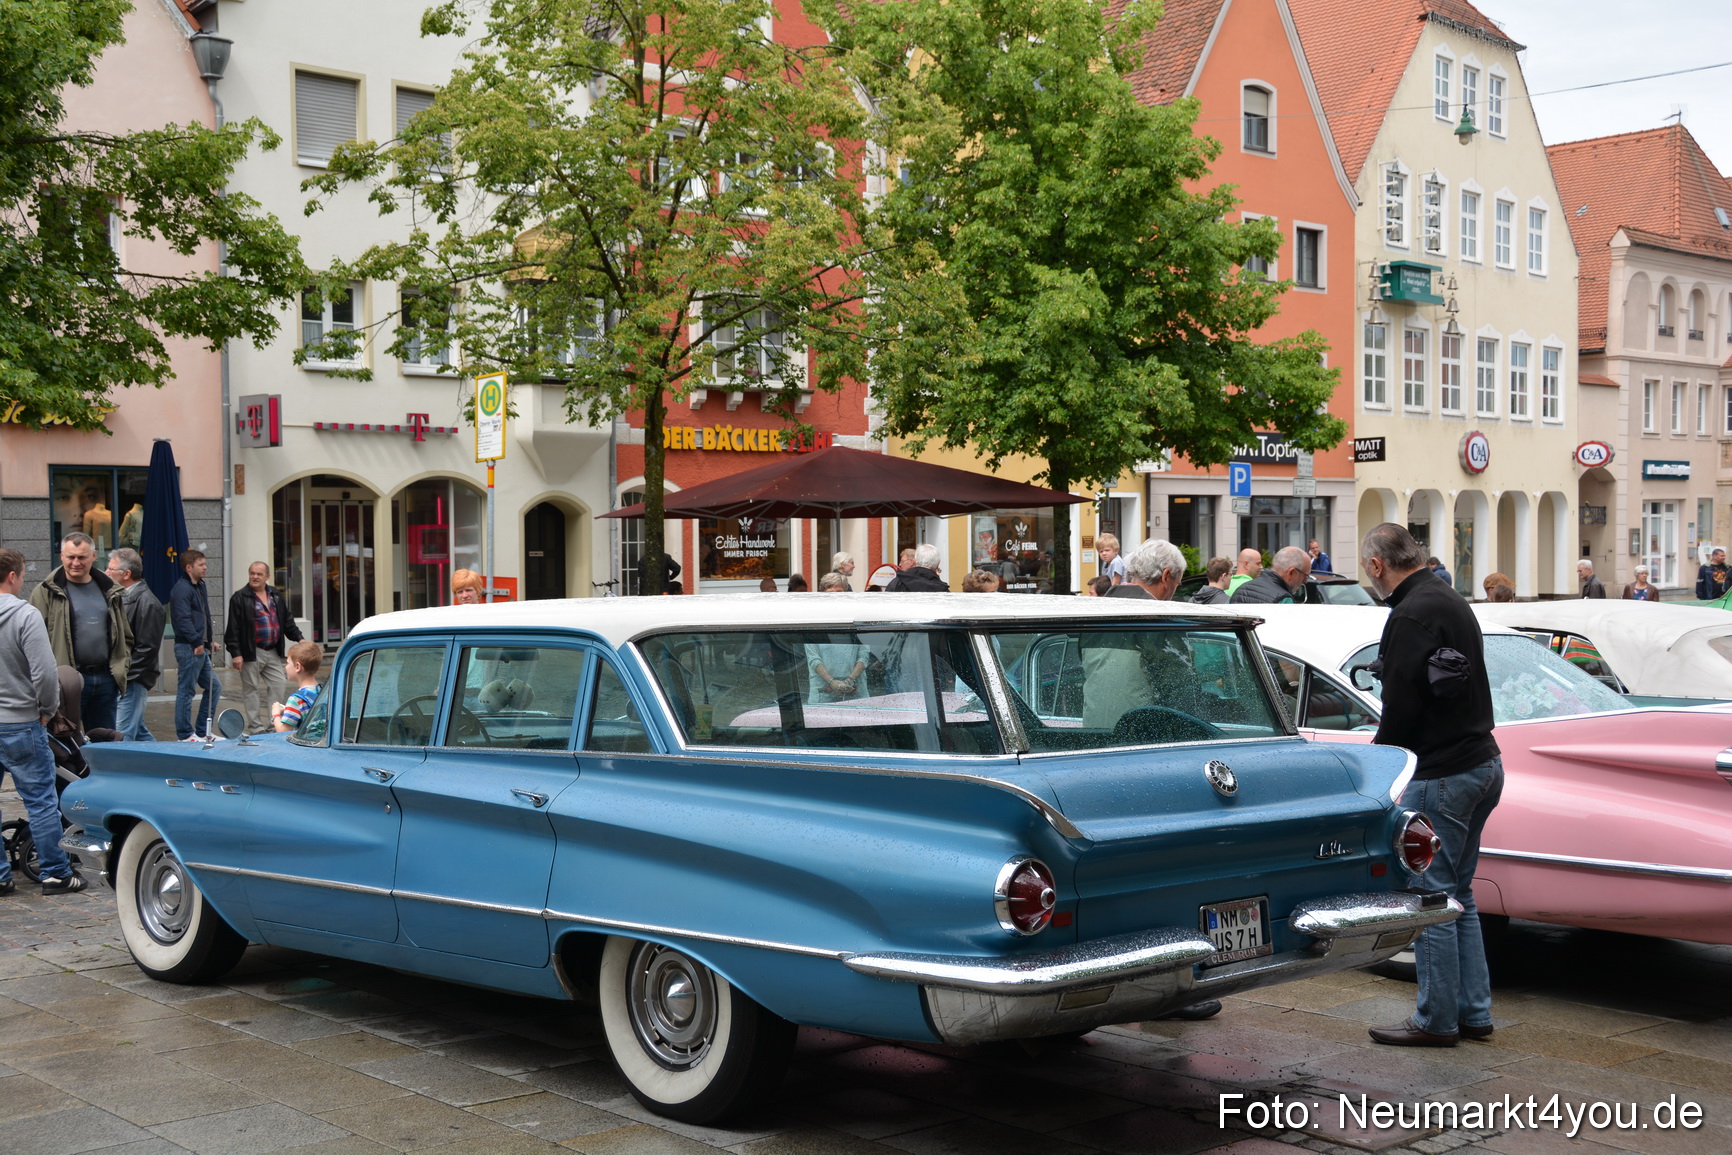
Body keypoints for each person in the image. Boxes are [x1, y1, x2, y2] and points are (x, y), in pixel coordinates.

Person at [1359, 524, 1500, 1048]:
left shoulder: (1411, 612)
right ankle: (1473, 1012)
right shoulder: (1448, 598)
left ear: (1377, 565)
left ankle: (1436, 1020)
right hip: (1482, 762)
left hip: (1443, 771)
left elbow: (1402, 704)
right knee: (1460, 895)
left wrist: (1381, 768)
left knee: (1433, 900)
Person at [0, 547, 85, 895]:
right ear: (13, 576)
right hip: (21, 720)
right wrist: (48, 709)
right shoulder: (25, 615)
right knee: (40, 800)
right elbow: (45, 674)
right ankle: (55, 872)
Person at [28, 532, 130, 733]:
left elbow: (125, 634)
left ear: (93, 556)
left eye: (82, 557)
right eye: (70, 557)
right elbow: (32, 642)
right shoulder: (46, 591)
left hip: (105, 680)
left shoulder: (108, 590)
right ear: (61, 556)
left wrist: (121, 667)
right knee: (66, 743)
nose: (76, 562)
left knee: (106, 743)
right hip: (66, 683)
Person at [226, 562, 304, 736]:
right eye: (252, 573)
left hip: (273, 650)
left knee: (278, 684)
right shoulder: (240, 598)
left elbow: (287, 621)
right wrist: (236, 653)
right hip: (251, 651)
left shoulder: (275, 595)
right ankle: (256, 727)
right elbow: (233, 629)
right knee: (251, 689)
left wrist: (300, 638)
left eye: (259, 574)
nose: (255, 577)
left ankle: (273, 724)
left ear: (267, 576)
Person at [106, 548, 164, 742]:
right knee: (138, 732)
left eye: (111, 569)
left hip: (132, 680)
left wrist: (125, 675)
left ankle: (122, 770)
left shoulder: (148, 603)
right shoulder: (123, 597)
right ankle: (164, 764)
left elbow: (147, 649)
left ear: (126, 574)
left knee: (123, 735)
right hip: (125, 678)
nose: (106, 572)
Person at [168, 549, 220, 741]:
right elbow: (183, 619)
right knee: (186, 690)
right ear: (189, 567)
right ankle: (185, 733)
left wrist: (208, 642)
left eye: (205, 564)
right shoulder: (182, 589)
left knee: (214, 687)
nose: (205, 567)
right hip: (189, 648)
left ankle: (202, 730)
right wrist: (197, 642)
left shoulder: (200, 586)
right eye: (201, 564)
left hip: (199, 647)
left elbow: (202, 617)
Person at [1104, 539, 1185, 600]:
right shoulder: (1158, 618)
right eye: (1176, 585)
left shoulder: (1102, 606)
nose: (1174, 593)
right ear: (1165, 577)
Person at [1230, 545, 1311, 604]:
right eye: (1305, 576)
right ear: (1291, 573)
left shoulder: (1240, 590)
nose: (1305, 581)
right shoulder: (1284, 600)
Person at [271, 641, 323, 732]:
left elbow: (282, 731)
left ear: (298, 667)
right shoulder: (322, 690)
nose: (286, 667)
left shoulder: (296, 699)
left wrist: (276, 714)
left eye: (288, 663)